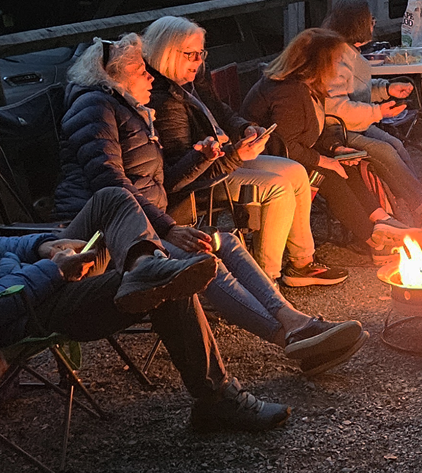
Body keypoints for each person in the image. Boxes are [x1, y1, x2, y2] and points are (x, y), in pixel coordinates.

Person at [0, 186, 362, 432]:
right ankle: (216, 398)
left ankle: (147, 265)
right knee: (173, 281)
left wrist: (44, 245)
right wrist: (54, 272)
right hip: (24, 307)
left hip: (37, 277)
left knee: (117, 203)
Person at [52, 35, 364, 362]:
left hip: (144, 225)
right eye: (141, 70)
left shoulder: (129, 110)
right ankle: (291, 339)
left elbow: (165, 183)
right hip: (107, 238)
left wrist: (201, 159)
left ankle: (296, 321)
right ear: (117, 76)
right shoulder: (94, 109)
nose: (150, 76)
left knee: (225, 240)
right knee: (200, 257)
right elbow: (110, 186)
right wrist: (169, 228)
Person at [137, 16, 337, 286]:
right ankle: (267, 278)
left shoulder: (193, 77)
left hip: (223, 156)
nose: (199, 61)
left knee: (296, 171)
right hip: (203, 177)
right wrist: (234, 155)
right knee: (278, 187)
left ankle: (302, 263)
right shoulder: (164, 98)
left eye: (201, 53)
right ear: (168, 54)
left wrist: (245, 128)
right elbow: (185, 172)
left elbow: (219, 110)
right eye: (191, 55)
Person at [242, 28, 422, 261]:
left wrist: (335, 149)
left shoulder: (309, 85)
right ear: (318, 63)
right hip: (265, 160)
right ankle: (374, 240)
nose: (341, 66)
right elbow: (286, 147)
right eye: (336, 60)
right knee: (328, 175)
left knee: (345, 163)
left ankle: (383, 222)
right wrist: (324, 160)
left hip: (291, 152)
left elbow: (315, 130)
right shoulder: (287, 92)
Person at [322, 0, 422, 218]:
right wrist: (378, 112)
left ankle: (417, 205)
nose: (373, 23)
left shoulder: (349, 53)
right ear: (356, 24)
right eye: (369, 19)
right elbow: (336, 109)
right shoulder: (334, 59)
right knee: (385, 151)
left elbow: (356, 89)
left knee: (397, 145)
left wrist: (387, 89)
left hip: (354, 124)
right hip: (333, 131)